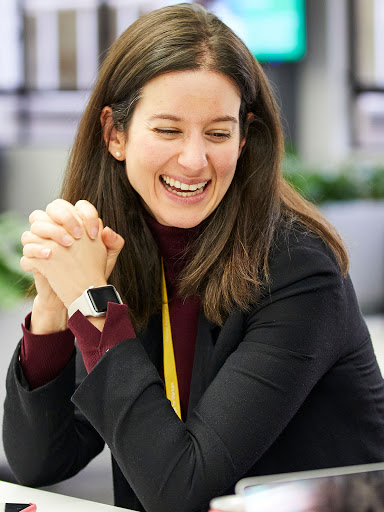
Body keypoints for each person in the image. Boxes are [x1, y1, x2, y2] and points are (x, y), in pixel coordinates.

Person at [3, 3, 384, 512]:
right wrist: (53, 309)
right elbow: (41, 462)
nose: (194, 159)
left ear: (245, 139)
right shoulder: (124, 246)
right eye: (167, 130)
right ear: (115, 134)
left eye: (219, 133)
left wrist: (90, 301)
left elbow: (183, 491)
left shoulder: (298, 267)